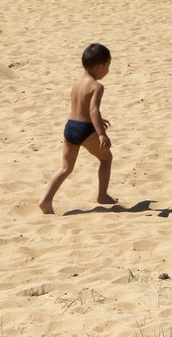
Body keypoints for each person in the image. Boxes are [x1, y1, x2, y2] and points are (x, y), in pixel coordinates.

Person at [38, 43, 116, 213]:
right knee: (106, 158)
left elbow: (81, 106)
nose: (108, 69)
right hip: (85, 130)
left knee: (65, 168)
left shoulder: (77, 82)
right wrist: (101, 134)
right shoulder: (97, 86)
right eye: (108, 65)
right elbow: (93, 109)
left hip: (71, 127)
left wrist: (97, 120)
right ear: (99, 66)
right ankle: (102, 195)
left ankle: (46, 200)